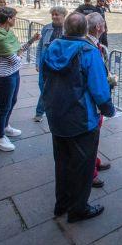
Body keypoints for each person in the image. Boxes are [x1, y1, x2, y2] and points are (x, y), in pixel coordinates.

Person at [40, 12, 115, 223]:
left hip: (56, 114)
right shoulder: (88, 52)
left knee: (61, 162)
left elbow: (42, 80)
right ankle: (78, 208)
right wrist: (108, 109)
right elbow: (100, 89)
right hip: (82, 117)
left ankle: (61, 203)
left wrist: (48, 104)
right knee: (83, 165)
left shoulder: (52, 47)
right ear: (85, 30)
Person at [0, 7, 40, 151]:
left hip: (13, 73)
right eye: (14, 18)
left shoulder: (7, 33)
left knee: (12, 101)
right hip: (4, 76)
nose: (15, 20)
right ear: (8, 20)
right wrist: (19, 55)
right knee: (3, 107)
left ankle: (5, 127)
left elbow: (18, 51)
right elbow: (16, 60)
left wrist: (31, 40)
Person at [85, 12, 115, 188]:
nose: (105, 26)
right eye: (103, 24)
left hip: (90, 101)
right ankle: (90, 173)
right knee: (92, 136)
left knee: (94, 136)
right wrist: (107, 106)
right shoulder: (91, 47)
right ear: (98, 27)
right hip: (92, 103)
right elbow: (95, 80)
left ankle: (93, 161)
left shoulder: (95, 45)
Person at [33, 6, 68, 122]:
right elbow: (39, 46)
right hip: (45, 60)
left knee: (58, 87)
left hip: (60, 61)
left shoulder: (68, 29)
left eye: (57, 14)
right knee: (43, 86)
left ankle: (43, 111)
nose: (54, 17)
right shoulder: (46, 28)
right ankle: (42, 111)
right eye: (52, 14)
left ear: (63, 16)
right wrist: (37, 62)